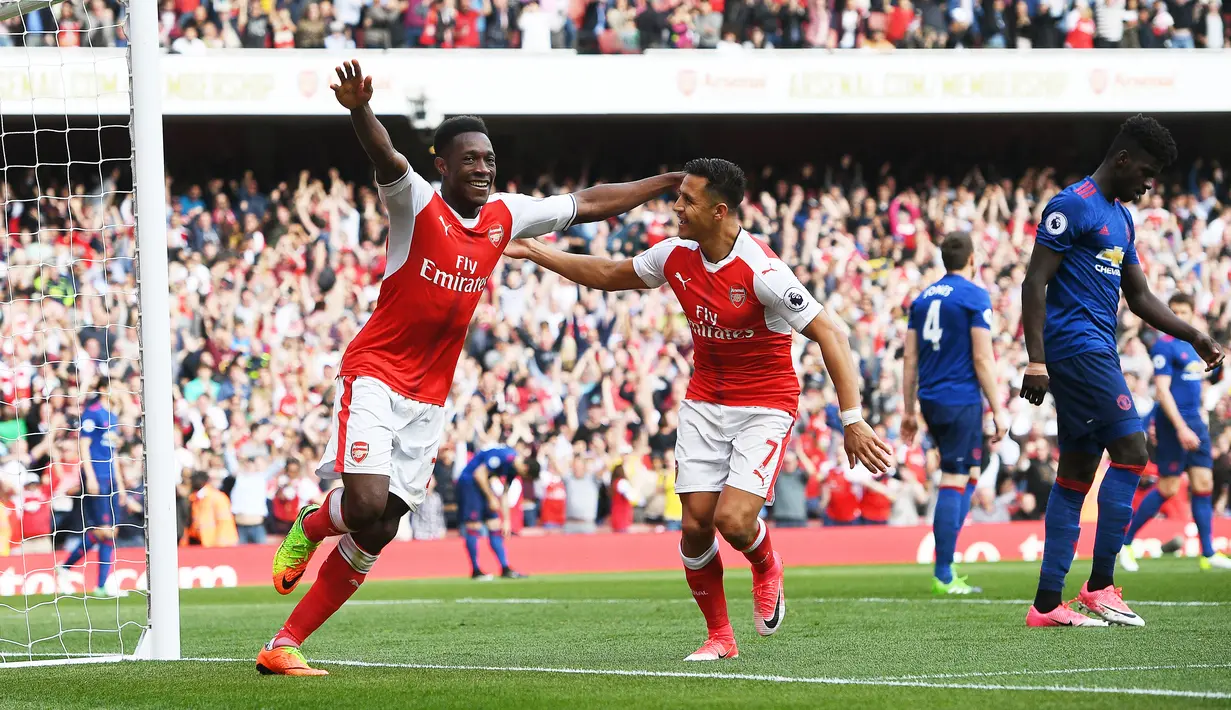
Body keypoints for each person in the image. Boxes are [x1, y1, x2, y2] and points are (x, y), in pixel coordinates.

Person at [256, 59, 684, 676]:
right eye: (470, 160)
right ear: (442, 164)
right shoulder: (416, 204)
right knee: (367, 501)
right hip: (376, 372)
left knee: (379, 531)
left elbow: (587, 203)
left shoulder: (506, 214)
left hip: (430, 396)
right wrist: (359, 110)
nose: (483, 169)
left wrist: (662, 181)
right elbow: (386, 159)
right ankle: (315, 519)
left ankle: (284, 643)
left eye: (488, 159)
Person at [505, 157, 893, 661]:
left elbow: (831, 332)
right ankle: (720, 638)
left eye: (687, 199)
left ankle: (766, 566)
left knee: (733, 522)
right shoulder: (675, 254)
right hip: (705, 400)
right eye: (678, 195)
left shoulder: (764, 270)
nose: (676, 206)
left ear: (719, 210)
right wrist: (537, 251)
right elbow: (607, 272)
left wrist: (853, 419)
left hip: (764, 405)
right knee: (693, 526)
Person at [1018, 115, 1224, 628]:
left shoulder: (1120, 218)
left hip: (1099, 350)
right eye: (1146, 172)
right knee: (1133, 450)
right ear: (1124, 159)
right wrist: (1036, 358)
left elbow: (1139, 296)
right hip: (1075, 348)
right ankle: (1101, 585)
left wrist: (1193, 333)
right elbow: (1033, 281)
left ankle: (1046, 605)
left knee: (1076, 475)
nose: (1148, 184)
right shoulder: (1073, 204)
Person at [900, 232, 1006, 596]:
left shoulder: (922, 297)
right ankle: (944, 573)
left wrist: (909, 410)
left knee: (971, 472)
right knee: (954, 478)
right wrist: (998, 408)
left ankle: (948, 564)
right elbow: (982, 357)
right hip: (960, 397)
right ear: (972, 259)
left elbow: (910, 358)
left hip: (930, 397)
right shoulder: (974, 295)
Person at [1120, 293, 1231, 571]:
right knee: (1168, 486)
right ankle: (1126, 542)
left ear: (1193, 314)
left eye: (1184, 311)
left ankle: (1207, 553)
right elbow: (1162, 390)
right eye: (1175, 311)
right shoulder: (1164, 346)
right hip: (1174, 424)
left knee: (1203, 484)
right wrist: (1180, 427)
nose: (1179, 316)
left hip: (1196, 421)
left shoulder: (1195, 345)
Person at [56, 378, 126, 597]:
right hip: (97, 477)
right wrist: (91, 476)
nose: (121, 390)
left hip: (111, 479)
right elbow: (84, 446)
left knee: (110, 532)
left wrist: (121, 485)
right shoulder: (92, 413)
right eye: (116, 386)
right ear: (104, 389)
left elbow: (112, 454)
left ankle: (101, 585)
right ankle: (66, 567)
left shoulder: (113, 416)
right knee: (103, 530)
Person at [455, 446, 527, 579]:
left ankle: (505, 568)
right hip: (469, 484)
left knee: (495, 524)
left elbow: (505, 495)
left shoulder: (513, 469)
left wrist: (506, 520)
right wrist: (491, 498)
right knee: (474, 526)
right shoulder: (504, 457)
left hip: (483, 485)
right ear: (525, 468)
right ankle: (475, 570)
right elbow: (479, 474)